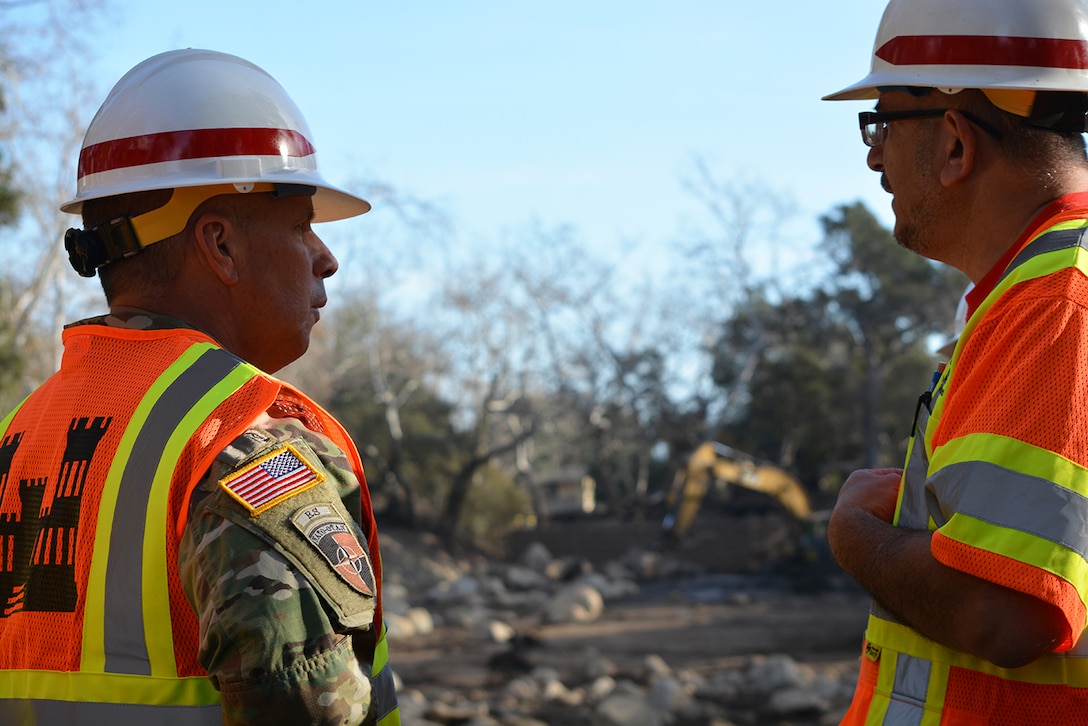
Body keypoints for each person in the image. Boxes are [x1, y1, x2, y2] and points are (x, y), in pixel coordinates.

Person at [0, 49, 401, 725]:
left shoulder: (23, 434)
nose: (326, 257)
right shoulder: (243, 439)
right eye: (302, 223)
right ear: (219, 244)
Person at [823, 0, 1088, 722]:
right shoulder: (1028, 296)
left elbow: (1002, 612)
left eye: (882, 121)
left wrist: (856, 534)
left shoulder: (1056, 308)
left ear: (955, 145)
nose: (874, 155)